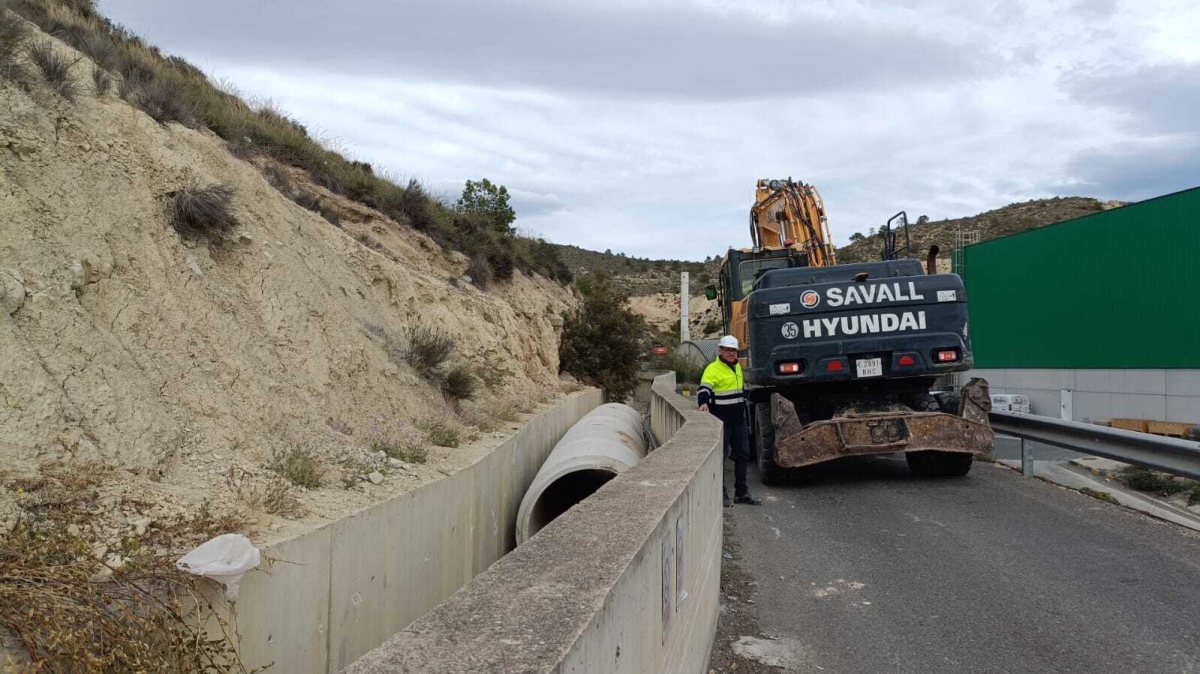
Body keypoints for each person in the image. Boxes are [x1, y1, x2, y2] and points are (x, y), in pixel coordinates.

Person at [697, 335, 762, 507]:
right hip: (721, 421)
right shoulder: (712, 369)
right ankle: (720, 492)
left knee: (743, 455)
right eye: (727, 350)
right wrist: (703, 402)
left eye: (734, 351)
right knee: (721, 457)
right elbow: (704, 388)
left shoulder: (737, 368)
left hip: (738, 420)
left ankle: (741, 493)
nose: (731, 353)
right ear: (720, 351)